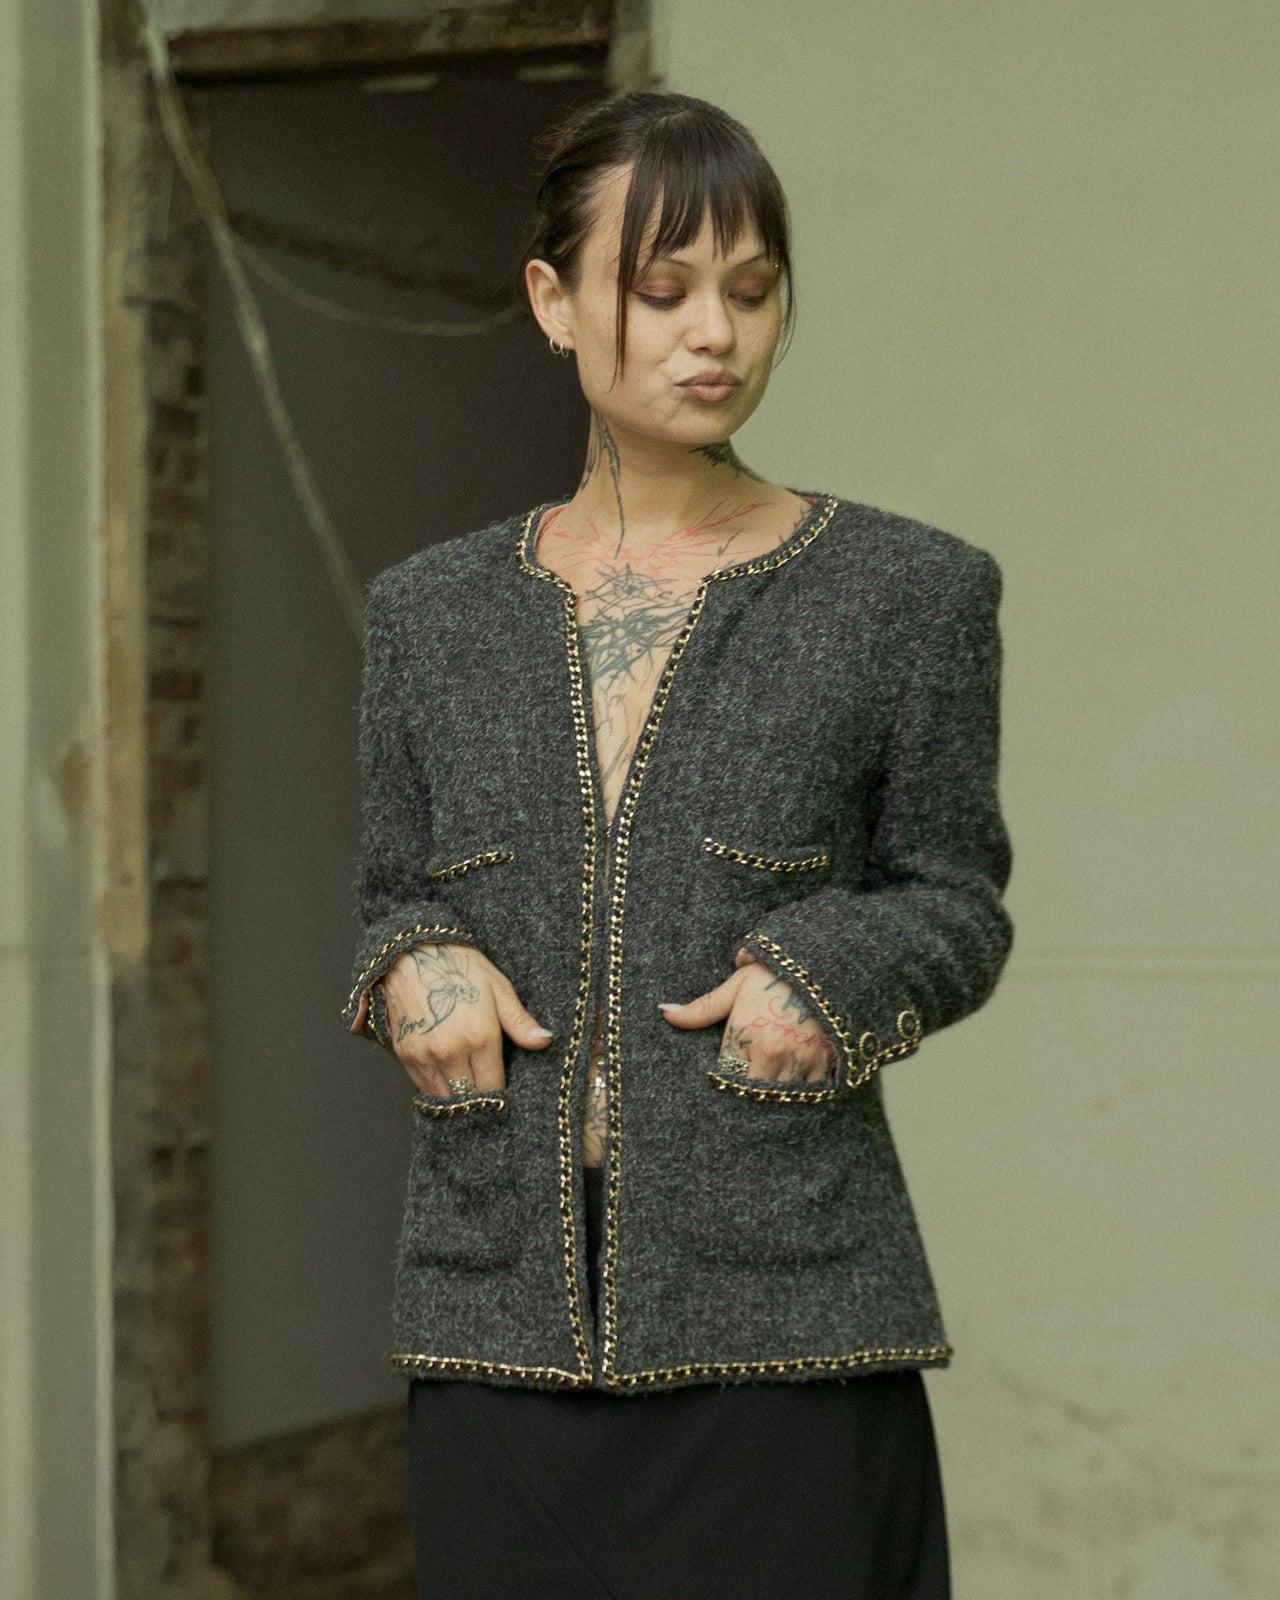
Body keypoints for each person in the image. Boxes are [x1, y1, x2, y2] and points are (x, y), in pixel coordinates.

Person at [341, 89, 1013, 1599]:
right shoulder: (430, 616)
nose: (715, 332)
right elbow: (390, 891)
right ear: (554, 302)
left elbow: (956, 900)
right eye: (661, 292)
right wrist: (412, 963)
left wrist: (826, 970)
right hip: (494, 1319)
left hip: (786, 1322)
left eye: (752, 291)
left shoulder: (908, 596)